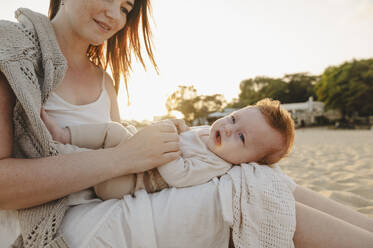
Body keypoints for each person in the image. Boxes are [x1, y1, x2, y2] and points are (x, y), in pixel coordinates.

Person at [0, 0, 373, 247]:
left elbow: (119, 148)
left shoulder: (104, 81)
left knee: (261, 179)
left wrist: (156, 143)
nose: (115, 14)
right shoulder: (11, 53)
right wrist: (128, 156)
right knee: (250, 195)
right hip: (58, 222)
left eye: (127, 6)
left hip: (113, 202)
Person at [41, 98, 295, 199]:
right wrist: (174, 126)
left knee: (99, 165)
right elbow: (184, 134)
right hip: (133, 152)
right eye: (233, 118)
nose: (228, 128)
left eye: (240, 138)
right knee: (114, 129)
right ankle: (63, 135)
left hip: (130, 181)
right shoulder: (209, 132)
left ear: (247, 162)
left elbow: (178, 176)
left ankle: (61, 155)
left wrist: (165, 145)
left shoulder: (215, 164)